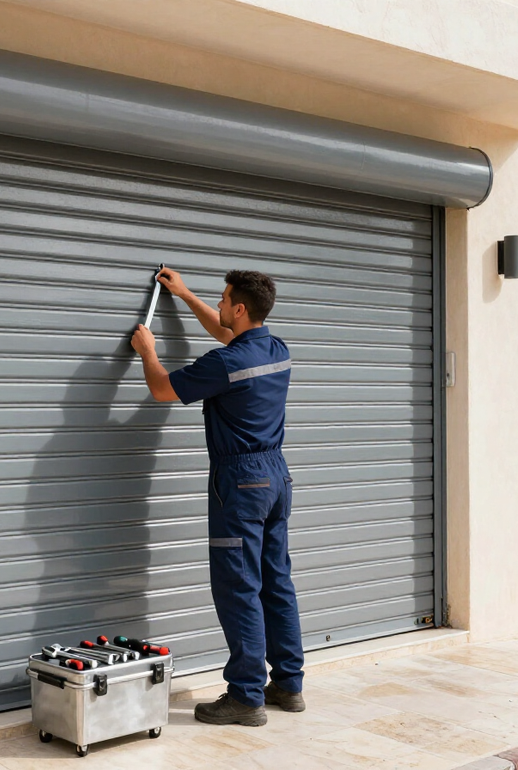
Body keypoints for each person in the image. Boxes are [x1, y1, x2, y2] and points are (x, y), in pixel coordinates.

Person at [130, 267, 304, 727]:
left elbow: (162, 389)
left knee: (238, 586)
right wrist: (185, 295)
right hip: (276, 476)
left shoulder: (226, 362)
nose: (220, 305)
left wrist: (148, 352)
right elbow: (228, 333)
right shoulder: (276, 349)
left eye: (224, 300)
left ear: (240, 308)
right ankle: (287, 684)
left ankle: (246, 696)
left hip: (241, 482)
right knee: (276, 580)